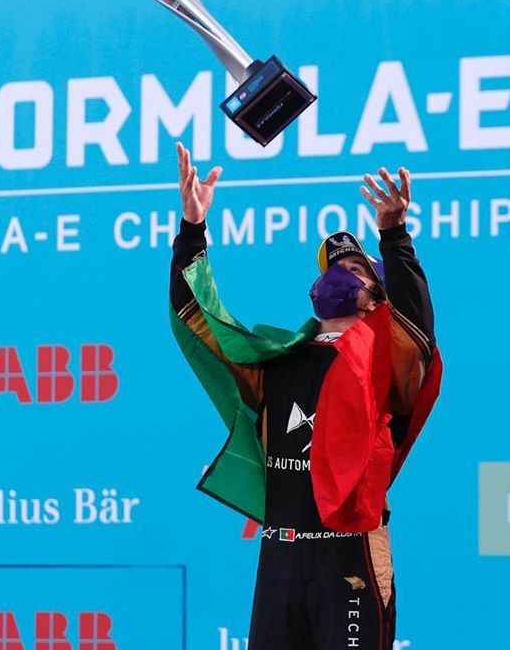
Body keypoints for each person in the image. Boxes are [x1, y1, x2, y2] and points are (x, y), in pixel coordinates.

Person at [168, 142, 442, 650]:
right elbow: (198, 319)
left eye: (354, 268)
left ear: (377, 297)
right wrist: (192, 229)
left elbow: (418, 332)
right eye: (330, 268)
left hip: (350, 557)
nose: (338, 273)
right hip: (280, 559)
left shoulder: (386, 363)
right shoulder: (275, 361)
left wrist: (394, 235)